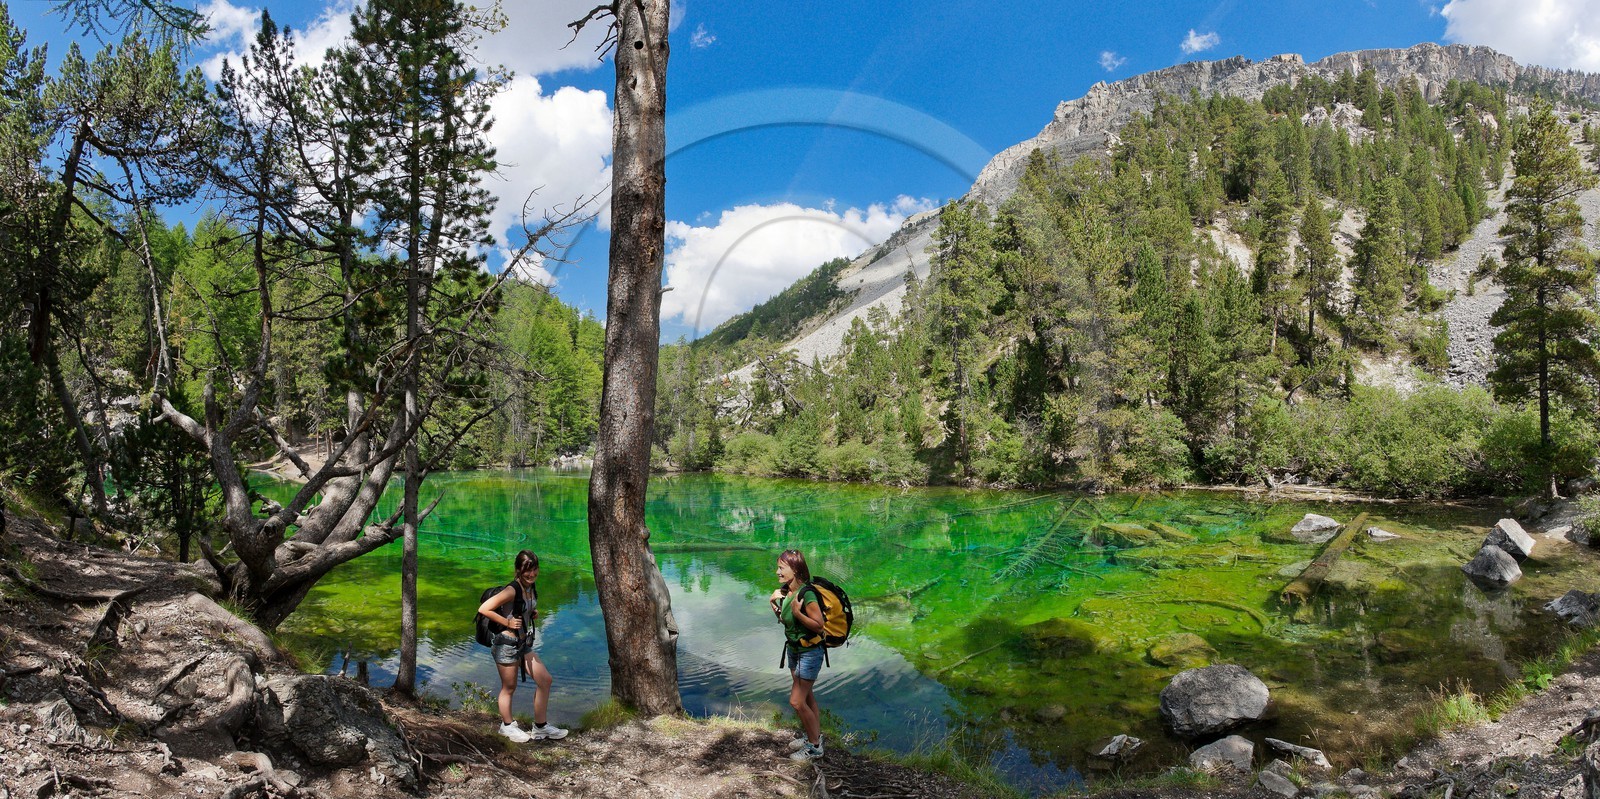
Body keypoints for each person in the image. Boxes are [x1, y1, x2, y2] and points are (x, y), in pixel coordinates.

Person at [478, 550, 567, 743]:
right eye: (527, 570)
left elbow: (521, 607)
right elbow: (484, 608)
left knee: (545, 680)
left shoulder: (531, 587)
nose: (532, 574)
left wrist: (531, 612)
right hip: (506, 644)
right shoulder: (512, 589)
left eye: (534, 569)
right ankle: (507, 726)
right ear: (518, 570)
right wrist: (507, 623)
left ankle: (540, 727)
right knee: (509, 687)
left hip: (522, 643)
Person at [769, 548, 826, 762]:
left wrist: (798, 613)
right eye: (778, 567)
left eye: (781, 568)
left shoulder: (807, 593)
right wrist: (773, 604)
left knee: (796, 701)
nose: (777, 572)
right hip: (794, 649)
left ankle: (815, 748)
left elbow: (819, 626)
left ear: (795, 569)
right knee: (807, 697)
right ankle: (814, 737)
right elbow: (786, 621)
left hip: (810, 652)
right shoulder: (787, 591)